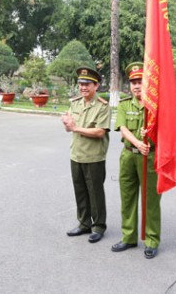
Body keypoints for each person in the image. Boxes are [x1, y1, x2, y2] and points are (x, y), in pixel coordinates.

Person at [111, 62, 161, 259]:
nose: (136, 86)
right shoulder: (124, 104)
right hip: (128, 155)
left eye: (140, 81)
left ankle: (151, 239)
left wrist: (150, 136)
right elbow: (122, 128)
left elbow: (164, 131)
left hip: (149, 157)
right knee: (128, 197)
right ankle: (129, 237)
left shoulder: (155, 106)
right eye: (133, 82)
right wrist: (137, 142)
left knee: (151, 200)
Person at [61, 67, 111, 244]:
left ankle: (98, 226)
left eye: (87, 84)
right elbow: (70, 128)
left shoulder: (102, 106)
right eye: (81, 84)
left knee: (95, 193)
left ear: (96, 86)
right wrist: (67, 124)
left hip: (94, 157)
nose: (83, 87)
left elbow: (99, 132)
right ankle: (84, 223)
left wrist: (75, 128)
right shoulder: (75, 103)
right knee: (80, 190)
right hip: (76, 154)